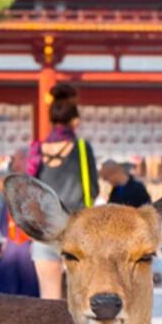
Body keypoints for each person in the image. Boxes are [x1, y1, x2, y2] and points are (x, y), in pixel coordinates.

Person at [25, 82, 97, 300]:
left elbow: (30, 189)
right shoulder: (82, 149)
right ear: (75, 121)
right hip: (76, 230)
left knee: (49, 299)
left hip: (45, 230)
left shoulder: (37, 149)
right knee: (77, 299)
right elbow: (92, 189)